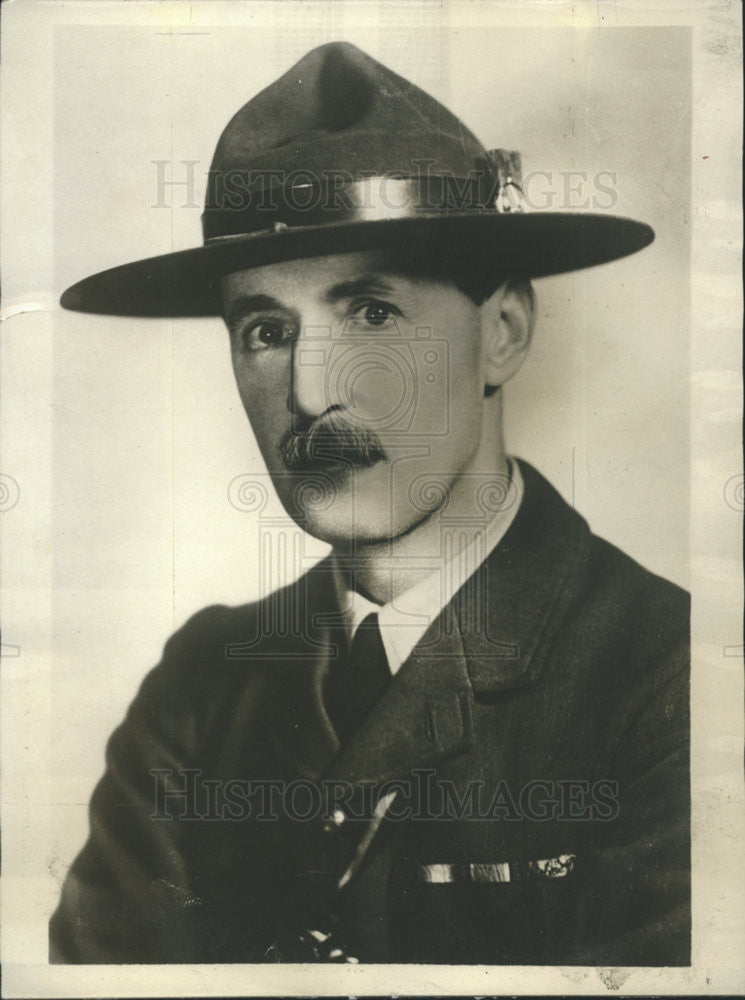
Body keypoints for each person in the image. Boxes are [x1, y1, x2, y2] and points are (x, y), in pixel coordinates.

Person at [50, 41, 690, 965]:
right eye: (266, 330)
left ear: (501, 335)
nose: (310, 392)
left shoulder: (668, 682)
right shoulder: (198, 693)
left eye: (372, 315)